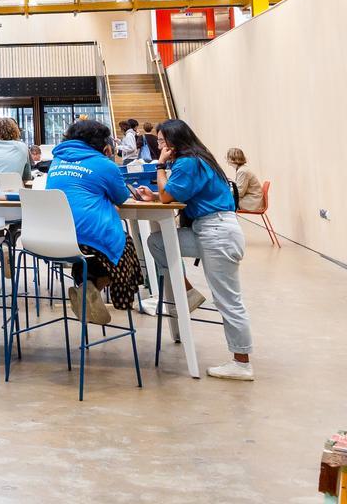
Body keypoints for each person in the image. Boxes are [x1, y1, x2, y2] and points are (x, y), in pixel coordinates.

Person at [135, 119, 255, 381]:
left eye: (163, 142)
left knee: (228, 301)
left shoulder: (188, 162)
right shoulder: (197, 159)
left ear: (176, 141)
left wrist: (160, 167)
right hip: (210, 230)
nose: (160, 147)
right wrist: (153, 196)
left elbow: (169, 197)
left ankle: (241, 362)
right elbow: (177, 195)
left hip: (217, 232)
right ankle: (186, 291)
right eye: (158, 143)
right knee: (157, 242)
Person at [45, 120, 144, 325]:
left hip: (57, 236)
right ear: (103, 143)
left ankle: (87, 287)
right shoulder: (104, 164)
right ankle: (91, 289)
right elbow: (121, 197)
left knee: (86, 251)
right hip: (89, 236)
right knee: (124, 246)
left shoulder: (57, 161)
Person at [227, 147, 264, 212]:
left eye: (228, 157)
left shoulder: (242, 171)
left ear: (233, 159)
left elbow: (240, 192)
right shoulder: (242, 169)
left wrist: (226, 191)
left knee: (225, 202)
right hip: (253, 199)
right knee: (226, 201)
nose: (226, 159)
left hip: (252, 202)